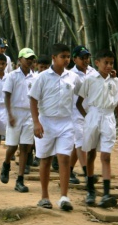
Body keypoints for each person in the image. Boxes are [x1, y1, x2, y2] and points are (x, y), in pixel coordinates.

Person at [29, 43, 81, 211]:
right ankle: (44, 196)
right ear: (54, 57)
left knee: (64, 158)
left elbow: (81, 95)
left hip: (66, 122)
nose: (66, 60)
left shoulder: (72, 77)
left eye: (68, 57)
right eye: (62, 56)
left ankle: (64, 197)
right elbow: (33, 99)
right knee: (45, 159)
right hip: (46, 122)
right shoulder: (42, 77)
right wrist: (36, 122)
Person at [76, 49, 118, 208]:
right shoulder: (90, 80)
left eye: (111, 63)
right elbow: (79, 103)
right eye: (106, 62)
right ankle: (90, 191)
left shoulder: (115, 81)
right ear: (97, 63)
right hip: (93, 115)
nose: (109, 66)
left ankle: (106, 193)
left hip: (109, 118)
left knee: (106, 156)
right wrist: (88, 117)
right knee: (90, 154)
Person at [0, 48, 37, 193]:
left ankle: (20, 179)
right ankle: (6, 163)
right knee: (12, 147)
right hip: (15, 112)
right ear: (20, 59)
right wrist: (9, 114)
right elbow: (7, 96)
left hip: (29, 114)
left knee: (25, 147)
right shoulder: (12, 76)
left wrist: (36, 117)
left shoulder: (35, 77)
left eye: (31, 58)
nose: (29, 60)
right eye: (27, 58)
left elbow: (36, 98)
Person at [69, 46, 98, 184]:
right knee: (81, 141)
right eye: (82, 58)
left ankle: (68, 171)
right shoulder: (70, 75)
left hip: (90, 111)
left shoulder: (93, 72)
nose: (86, 60)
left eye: (87, 57)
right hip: (75, 112)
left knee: (80, 143)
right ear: (74, 59)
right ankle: (87, 173)